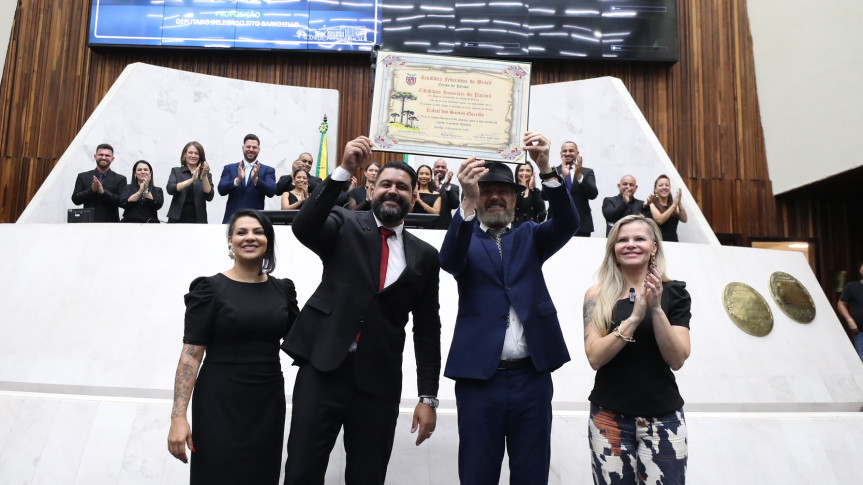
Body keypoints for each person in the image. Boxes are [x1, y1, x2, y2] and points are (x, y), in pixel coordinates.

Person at [283, 136, 441, 485]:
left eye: (402, 187)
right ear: (371, 190)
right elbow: (303, 227)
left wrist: (428, 397)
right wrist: (343, 170)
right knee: (301, 472)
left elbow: (428, 329)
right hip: (323, 368)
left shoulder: (426, 256)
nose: (392, 191)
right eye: (386, 184)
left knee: (368, 476)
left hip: (379, 382)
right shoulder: (344, 222)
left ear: (414, 195)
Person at [439, 132, 578, 485]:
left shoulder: (531, 235)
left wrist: (546, 168)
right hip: (479, 380)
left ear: (515, 198)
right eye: (486, 191)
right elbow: (449, 260)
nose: (495, 196)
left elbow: (568, 223)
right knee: (477, 472)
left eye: (503, 190)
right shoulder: (465, 236)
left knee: (532, 473)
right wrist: (466, 202)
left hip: (532, 377)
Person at [167, 209, 299, 484]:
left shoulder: (283, 290)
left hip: (267, 403)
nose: (250, 237)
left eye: (258, 232)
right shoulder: (209, 289)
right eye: (241, 232)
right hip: (218, 403)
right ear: (230, 241)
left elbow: (304, 341)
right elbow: (191, 355)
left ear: (268, 240)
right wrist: (178, 417)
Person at [582, 214, 691, 485]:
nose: (630, 244)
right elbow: (595, 357)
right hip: (609, 419)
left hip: (664, 418)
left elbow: (677, 359)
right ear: (613, 248)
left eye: (639, 238)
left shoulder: (675, 293)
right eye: (623, 240)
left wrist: (656, 309)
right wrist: (634, 318)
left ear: (653, 247)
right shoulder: (597, 295)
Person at [217, 134, 276, 223]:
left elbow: (271, 191)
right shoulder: (229, 168)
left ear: (259, 150)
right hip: (232, 220)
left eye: (254, 147)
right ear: (243, 148)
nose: (251, 150)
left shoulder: (268, 170)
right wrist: (237, 180)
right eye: (248, 147)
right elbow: (221, 190)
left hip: (255, 220)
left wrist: (256, 180)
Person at [71, 143, 127, 222]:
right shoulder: (83, 176)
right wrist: (91, 190)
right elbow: (75, 200)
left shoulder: (120, 179)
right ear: (95, 156)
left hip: (111, 224)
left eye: (107, 155)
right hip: (87, 223)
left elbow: (122, 202)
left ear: (112, 159)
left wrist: (103, 192)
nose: (103, 157)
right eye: (101, 154)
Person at [555, 141, 597, 236]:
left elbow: (593, 194)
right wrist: (562, 177)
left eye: (571, 151)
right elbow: (545, 195)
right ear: (561, 153)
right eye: (564, 151)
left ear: (577, 153)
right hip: (557, 222)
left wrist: (579, 175)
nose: (567, 153)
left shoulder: (587, 172)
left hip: (581, 224)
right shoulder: (553, 171)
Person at [166, 141, 214, 224]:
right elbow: (170, 189)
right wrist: (191, 180)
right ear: (185, 154)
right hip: (176, 219)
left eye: (196, 153)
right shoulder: (176, 171)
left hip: (198, 220)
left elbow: (209, 196)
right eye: (190, 152)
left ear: (200, 157)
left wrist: (204, 176)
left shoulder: (207, 175)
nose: (193, 156)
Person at [650, 174, 688, 242]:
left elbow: (684, 219)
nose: (664, 187)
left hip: (674, 243)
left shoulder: (673, 205)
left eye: (667, 185)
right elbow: (660, 220)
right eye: (660, 185)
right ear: (655, 189)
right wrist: (674, 205)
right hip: (659, 244)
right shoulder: (652, 204)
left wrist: (679, 203)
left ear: (670, 188)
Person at [838, 261, 863, 362]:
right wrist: (849, 320)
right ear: (861, 270)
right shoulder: (852, 287)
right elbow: (841, 304)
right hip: (860, 333)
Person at [513, 162, 546, 227]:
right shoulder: (512, 191)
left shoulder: (536, 191)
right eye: (521, 170)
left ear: (532, 174)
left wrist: (532, 189)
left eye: (528, 171)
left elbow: (541, 209)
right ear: (517, 174)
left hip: (532, 229)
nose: (524, 173)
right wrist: (521, 190)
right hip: (515, 229)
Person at [433, 158, 459, 229]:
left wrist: (447, 186)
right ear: (433, 169)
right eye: (437, 166)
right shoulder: (425, 185)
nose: (440, 169)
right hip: (426, 225)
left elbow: (455, 205)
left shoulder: (453, 188)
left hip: (444, 227)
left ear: (446, 170)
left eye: (443, 167)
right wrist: (436, 187)